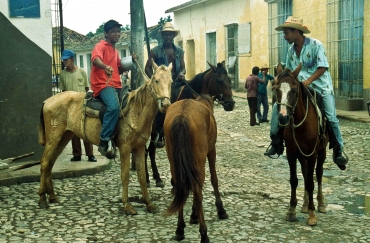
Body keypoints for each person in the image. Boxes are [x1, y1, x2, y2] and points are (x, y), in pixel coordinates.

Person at [263, 16, 348, 168]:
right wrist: (278, 80)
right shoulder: (290, 51)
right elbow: (288, 72)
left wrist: (309, 80)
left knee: (331, 116)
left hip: (321, 87)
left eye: (286, 33)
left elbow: (323, 67)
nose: (284, 37)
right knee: (279, 107)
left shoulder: (316, 45)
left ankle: (338, 149)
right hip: (298, 88)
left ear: (296, 31)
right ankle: (276, 142)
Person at [90, 19, 135, 157]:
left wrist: (131, 61)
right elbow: (95, 59)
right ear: (106, 34)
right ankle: (104, 139)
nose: (117, 34)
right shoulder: (101, 46)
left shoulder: (115, 51)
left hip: (116, 84)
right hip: (103, 85)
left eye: (118, 31)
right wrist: (104, 66)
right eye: (113, 31)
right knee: (114, 107)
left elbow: (119, 69)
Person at [144, 22, 186, 148]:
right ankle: (159, 133)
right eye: (166, 35)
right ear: (163, 36)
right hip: (161, 85)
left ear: (173, 36)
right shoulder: (155, 51)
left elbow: (184, 68)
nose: (168, 37)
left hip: (176, 82)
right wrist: (154, 79)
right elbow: (147, 68)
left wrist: (182, 74)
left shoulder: (179, 51)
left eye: (170, 35)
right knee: (162, 105)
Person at [59, 49, 97, 162]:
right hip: (70, 106)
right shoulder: (63, 74)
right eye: (63, 60)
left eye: (66, 60)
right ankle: (77, 154)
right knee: (73, 131)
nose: (64, 62)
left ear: (72, 59)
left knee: (86, 129)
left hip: (82, 104)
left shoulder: (82, 72)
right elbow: (63, 91)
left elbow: (86, 88)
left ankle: (90, 154)